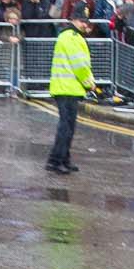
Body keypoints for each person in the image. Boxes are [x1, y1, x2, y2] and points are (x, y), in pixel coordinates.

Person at [45, 15, 95, 175]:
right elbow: (80, 66)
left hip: (67, 87)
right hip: (67, 88)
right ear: (74, 20)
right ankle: (56, 161)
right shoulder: (72, 37)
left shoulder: (69, 36)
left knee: (68, 126)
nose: (84, 25)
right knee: (66, 127)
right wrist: (89, 83)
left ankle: (63, 159)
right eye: (81, 21)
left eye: (85, 22)